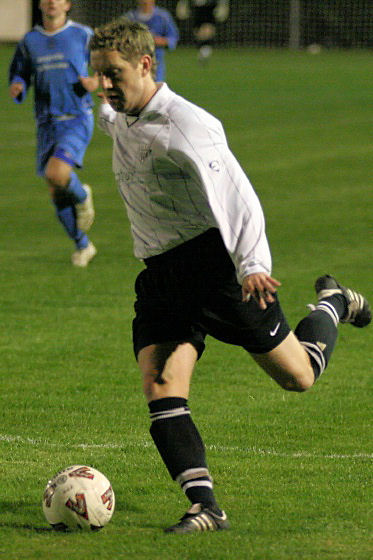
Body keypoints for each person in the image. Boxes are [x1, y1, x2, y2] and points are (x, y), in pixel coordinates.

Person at [89, 18, 371, 533]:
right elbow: (111, 117)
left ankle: (333, 303)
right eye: (99, 76)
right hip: (160, 276)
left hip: (214, 271)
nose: (106, 87)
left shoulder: (188, 125)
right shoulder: (120, 115)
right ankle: (205, 506)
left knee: (299, 377)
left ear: (146, 65)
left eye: (114, 75)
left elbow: (238, 199)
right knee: (161, 384)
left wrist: (254, 265)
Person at [9, 0, 98, 267]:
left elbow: (104, 65)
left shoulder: (83, 35)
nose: (51, 2)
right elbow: (19, 72)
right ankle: (83, 245)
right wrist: (18, 85)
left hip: (76, 117)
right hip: (46, 123)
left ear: (67, 4)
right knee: (56, 190)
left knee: (57, 174)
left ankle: (83, 196)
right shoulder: (30, 40)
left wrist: (96, 80)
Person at [125, 0, 179, 81]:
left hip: (156, 62)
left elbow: (173, 38)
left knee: (154, 88)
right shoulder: (130, 18)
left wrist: (159, 41)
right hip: (135, 62)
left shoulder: (163, 16)